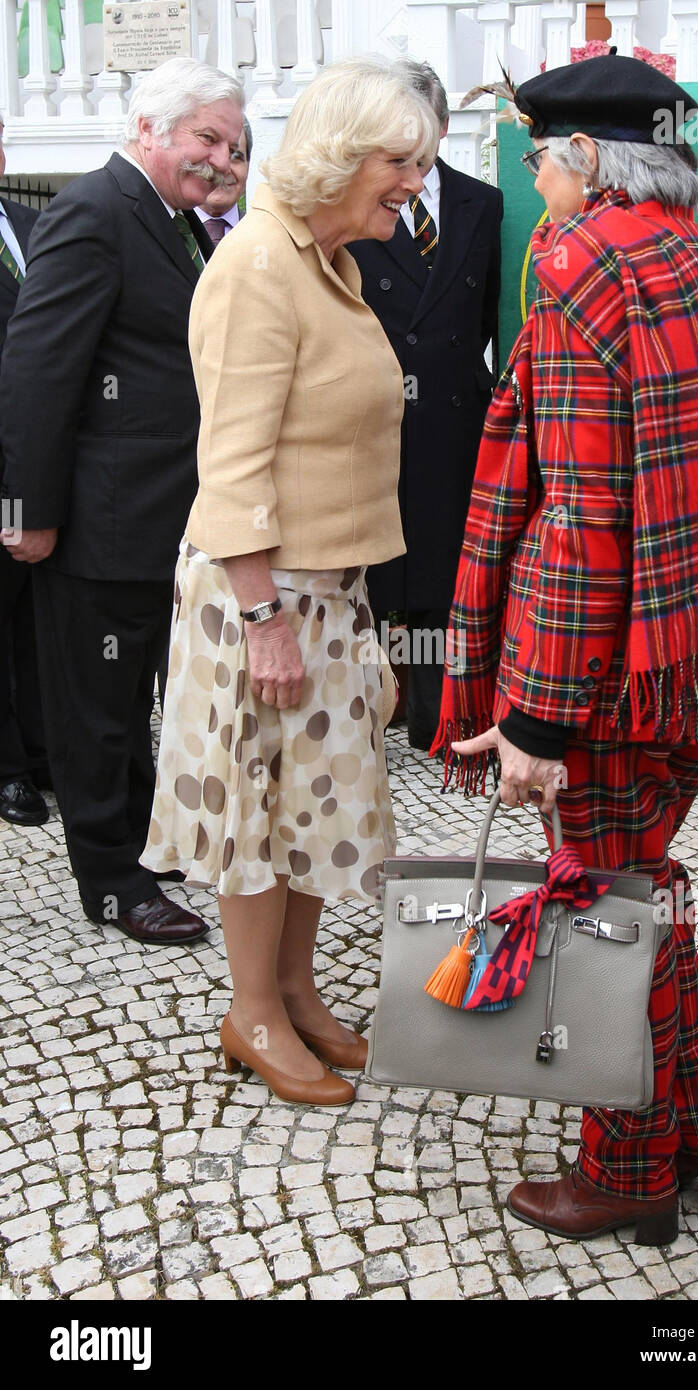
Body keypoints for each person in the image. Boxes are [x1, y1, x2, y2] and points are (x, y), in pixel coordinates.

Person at [432, 54, 698, 1244]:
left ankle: (627, 1169)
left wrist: (535, 718)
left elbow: (586, 510)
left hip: (605, 681)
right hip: (690, 658)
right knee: (640, 894)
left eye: (540, 157)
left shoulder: (580, 263)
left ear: (586, 155)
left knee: (602, 907)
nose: (535, 180)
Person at [140, 59, 440, 1106]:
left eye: (421, 163)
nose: (415, 182)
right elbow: (232, 461)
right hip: (261, 595)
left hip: (327, 589)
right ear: (339, 155)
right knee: (256, 817)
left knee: (313, 806)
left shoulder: (327, 260)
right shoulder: (259, 262)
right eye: (399, 161)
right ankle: (252, 1011)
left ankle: (297, 993)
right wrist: (264, 615)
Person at [0, 57, 243, 944]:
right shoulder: (95, 210)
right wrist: (27, 513)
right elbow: (37, 370)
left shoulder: (172, 220)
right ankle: (111, 884)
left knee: (139, 699)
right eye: (206, 138)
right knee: (96, 716)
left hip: (163, 518)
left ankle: (145, 844)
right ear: (148, 130)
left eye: (233, 145)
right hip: (97, 523)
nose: (221, 158)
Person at [349, 60, 503, 753]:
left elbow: (488, 317)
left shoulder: (482, 204)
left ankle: (438, 718)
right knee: (379, 572)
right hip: (375, 420)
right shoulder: (357, 205)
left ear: (441, 126)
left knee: (443, 568)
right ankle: (370, 712)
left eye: (420, 126)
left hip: (452, 419)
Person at [0, 119, 49, 828]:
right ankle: (8, 769)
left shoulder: (37, 224)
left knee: (39, 619)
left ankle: (44, 753)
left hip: (41, 460)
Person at [193, 115, 252, 245]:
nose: (223, 168)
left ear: (248, 167)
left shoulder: (264, 237)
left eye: (235, 156)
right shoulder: (168, 231)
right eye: (210, 156)